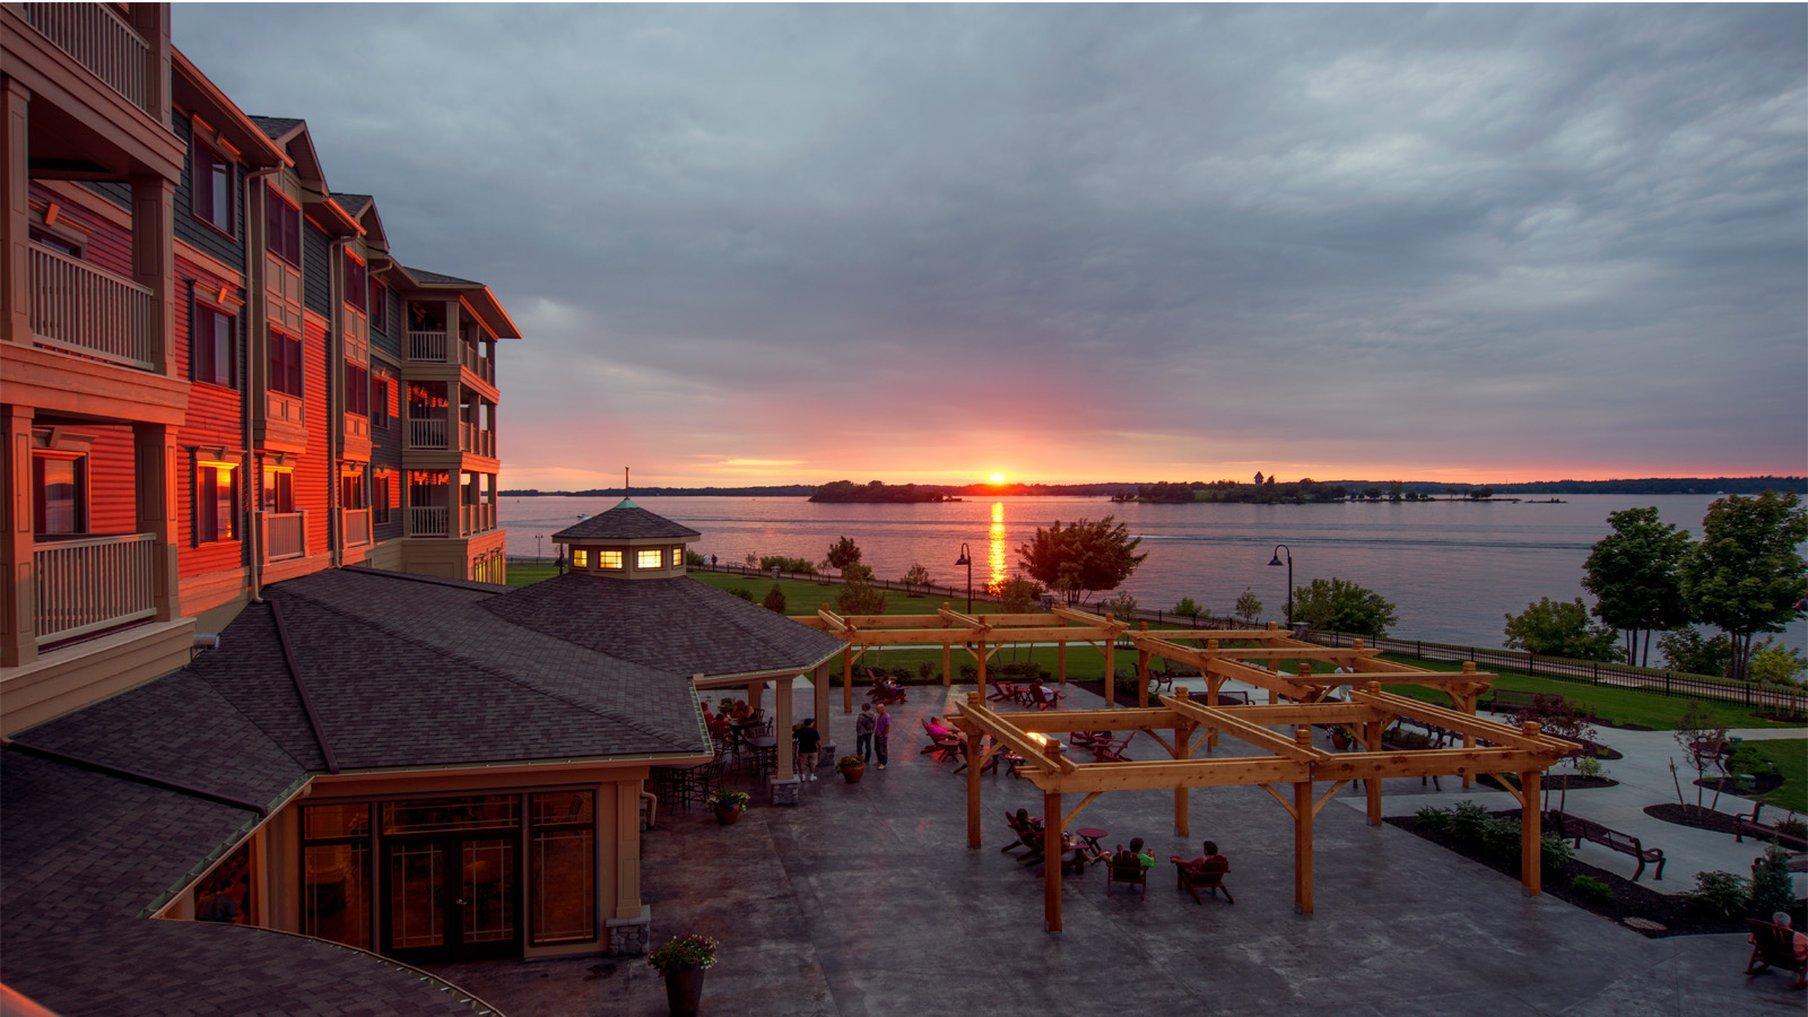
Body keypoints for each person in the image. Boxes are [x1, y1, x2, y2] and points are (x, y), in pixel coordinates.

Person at [873, 703, 891, 769]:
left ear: (882, 709)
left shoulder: (887, 716)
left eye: (877, 709)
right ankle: (879, 761)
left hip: (882, 736)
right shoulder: (880, 715)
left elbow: (887, 726)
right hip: (877, 734)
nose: (876, 711)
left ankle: (883, 763)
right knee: (877, 748)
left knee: (882, 749)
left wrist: (883, 735)